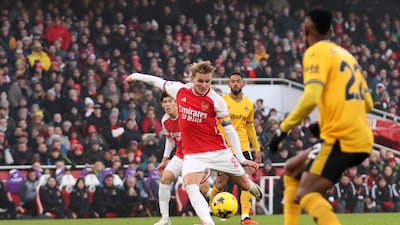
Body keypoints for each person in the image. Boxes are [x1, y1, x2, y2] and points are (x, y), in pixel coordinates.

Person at [268, 8, 374, 225]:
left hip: (341, 138)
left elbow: (312, 96)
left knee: (305, 194)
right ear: (332, 31)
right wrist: (324, 122)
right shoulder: (347, 55)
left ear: (306, 30)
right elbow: (369, 104)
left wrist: (283, 129)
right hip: (359, 137)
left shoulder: (315, 52)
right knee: (292, 169)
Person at [126, 60, 262, 225]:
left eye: (207, 81)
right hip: (193, 154)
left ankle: (253, 188)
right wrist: (135, 76)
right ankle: (207, 221)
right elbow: (157, 81)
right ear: (192, 78)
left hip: (218, 151)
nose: (204, 85)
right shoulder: (180, 90)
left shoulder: (217, 100)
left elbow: (229, 130)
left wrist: (240, 158)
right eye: (200, 81)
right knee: (190, 184)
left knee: (244, 183)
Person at [209, 72, 262, 225]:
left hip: (243, 147)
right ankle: (208, 214)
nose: (235, 84)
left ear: (243, 84)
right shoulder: (221, 101)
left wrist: (256, 149)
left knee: (246, 180)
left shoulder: (249, 104)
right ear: (228, 84)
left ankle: (245, 217)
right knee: (220, 183)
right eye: (233, 81)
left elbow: (250, 128)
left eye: (238, 81)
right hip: (224, 147)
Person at [154, 93, 211, 225]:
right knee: (165, 178)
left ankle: (221, 208)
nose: (167, 104)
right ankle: (165, 219)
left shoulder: (187, 116)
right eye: (164, 102)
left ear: (177, 102)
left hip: (196, 155)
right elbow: (169, 139)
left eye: (170, 101)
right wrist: (165, 159)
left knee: (204, 189)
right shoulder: (165, 121)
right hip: (180, 155)